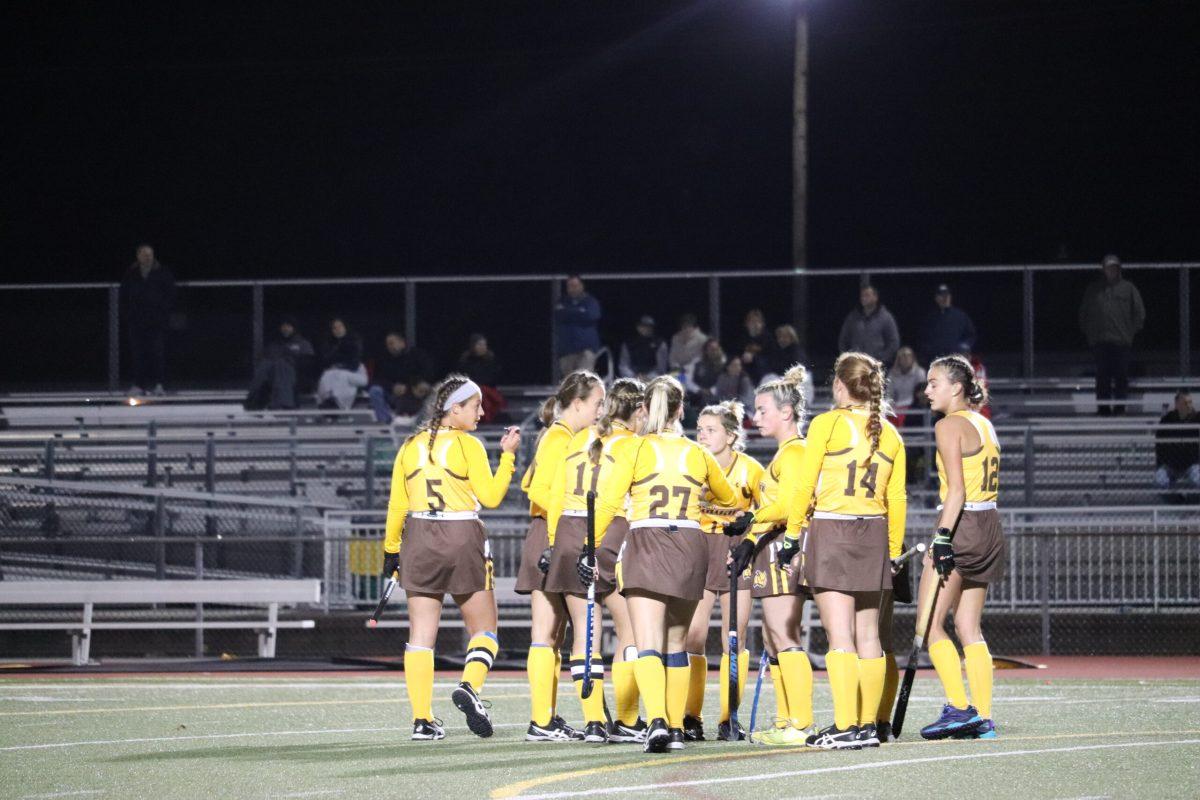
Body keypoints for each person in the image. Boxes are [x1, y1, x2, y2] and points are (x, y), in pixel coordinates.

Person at [593, 376, 738, 753]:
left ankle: (656, 720)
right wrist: (699, 496)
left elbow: (608, 504)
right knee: (676, 643)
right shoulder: (697, 453)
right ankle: (675, 728)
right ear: (679, 410)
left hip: (648, 539)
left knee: (647, 644)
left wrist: (586, 547)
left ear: (645, 409)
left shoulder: (634, 450)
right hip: (690, 542)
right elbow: (730, 497)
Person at [381, 374, 521, 741]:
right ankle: (469, 686)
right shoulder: (468, 444)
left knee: (420, 637)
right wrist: (508, 458)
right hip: (461, 536)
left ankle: (422, 721)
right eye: (475, 405)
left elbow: (397, 505)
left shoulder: (409, 445)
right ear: (454, 408)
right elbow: (490, 497)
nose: (481, 411)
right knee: (485, 631)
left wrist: (390, 551)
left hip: (419, 537)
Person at [779, 352, 907, 750]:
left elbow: (804, 485)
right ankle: (868, 726)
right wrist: (892, 551)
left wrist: (791, 535)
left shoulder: (827, 423)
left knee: (840, 638)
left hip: (833, 530)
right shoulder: (891, 433)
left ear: (839, 385)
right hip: (874, 533)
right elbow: (896, 498)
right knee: (869, 636)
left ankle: (845, 725)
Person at [545, 378, 648, 743]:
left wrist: (554, 542)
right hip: (609, 529)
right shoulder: (635, 444)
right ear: (637, 411)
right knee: (632, 631)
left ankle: (592, 723)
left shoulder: (580, 438)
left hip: (569, 530)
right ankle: (627, 719)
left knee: (585, 632)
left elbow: (556, 493)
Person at [723, 366, 816, 746]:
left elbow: (791, 504)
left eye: (762, 410)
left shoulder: (794, 451)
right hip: (771, 543)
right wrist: (750, 539)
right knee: (773, 637)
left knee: (783, 632)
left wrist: (752, 518)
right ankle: (785, 720)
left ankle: (801, 722)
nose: (755, 417)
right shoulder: (785, 453)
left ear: (786, 413)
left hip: (784, 546)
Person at [916, 354, 1005, 741]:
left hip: (962, 524)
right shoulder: (984, 423)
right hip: (990, 526)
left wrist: (940, 537)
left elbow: (957, 491)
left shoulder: (949, 425)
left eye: (934, 383)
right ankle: (982, 717)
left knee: (929, 626)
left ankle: (958, 708)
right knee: (969, 626)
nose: (927, 390)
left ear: (956, 387)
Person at [517, 371, 606, 742]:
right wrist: (557, 538)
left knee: (549, 634)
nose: (601, 410)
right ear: (578, 403)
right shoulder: (561, 438)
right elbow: (540, 489)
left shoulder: (559, 435)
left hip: (547, 532)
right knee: (572, 628)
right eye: (598, 403)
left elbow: (527, 483)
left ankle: (544, 720)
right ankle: (594, 719)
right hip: (555, 532)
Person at [681, 401, 763, 742]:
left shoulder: (751, 469)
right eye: (700, 430)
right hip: (701, 548)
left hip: (736, 552)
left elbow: (766, 510)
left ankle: (730, 717)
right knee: (692, 637)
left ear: (730, 435)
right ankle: (690, 716)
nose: (703, 435)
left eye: (710, 430)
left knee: (734, 637)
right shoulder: (692, 464)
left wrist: (752, 529)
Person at [1079, 255, 1145, 415]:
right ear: (1103, 269)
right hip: (1100, 341)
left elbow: (1139, 312)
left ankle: (1120, 408)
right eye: (1108, 267)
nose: (1111, 270)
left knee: (1121, 374)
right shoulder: (1093, 289)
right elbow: (1083, 314)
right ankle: (1103, 408)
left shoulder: (1128, 288)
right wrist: (1090, 334)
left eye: (1114, 267)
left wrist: (1130, 332)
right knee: (1102, 375)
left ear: (1119, 269)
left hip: (1122, 341)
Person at [121, 243, 176, 395]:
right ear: (138, 256)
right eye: (144, 254)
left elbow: (170, 293)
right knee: (138, 354)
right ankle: (139, 385)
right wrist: (128, 314)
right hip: (136, 321)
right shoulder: (131, 273)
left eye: (150, 254)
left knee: (157, 353)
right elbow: (124, 295)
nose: (148, 257)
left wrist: (163, 312)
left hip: (156, 321)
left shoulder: (162, 272)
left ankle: (160, 384)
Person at [244, 316, 314, 410]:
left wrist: (289, 361)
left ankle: (284, 403)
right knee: (265, 365)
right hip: (273, 380)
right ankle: (253, 400)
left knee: (282, 365)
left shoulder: (303, 344)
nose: (285, 329)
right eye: (283, 326)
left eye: (288, 326)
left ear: (294, 328)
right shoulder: (274, 345)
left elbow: (308, 365)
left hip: (296, 378)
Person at [368, 332, 438, 423]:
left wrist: (413, 385)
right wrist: (392, 387)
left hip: (414, 391)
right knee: (375, 390)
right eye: (388, 344)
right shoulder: (383, 359)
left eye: (392, 343)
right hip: (392, 393)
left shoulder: (417, 355)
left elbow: (428, 373)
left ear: (402, 343)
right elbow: (376, 380)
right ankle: (385, 422)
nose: (389, 346)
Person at [837, 285, 900, 366]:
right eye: (862, 296)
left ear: (875, 297)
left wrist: (881, 359)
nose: (863, 298)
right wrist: (848, 357)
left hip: (876, 366)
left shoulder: (885, 317)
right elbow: (843, 340)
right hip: (856, 365)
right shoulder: (853, 317)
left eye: (867, 295)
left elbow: (894, 342)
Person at [1155, 390, 1200, 501]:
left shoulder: (1197, 418)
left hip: (1192, 463)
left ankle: (1192, 502)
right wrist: (1165, 462)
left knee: (1197, 479)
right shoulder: (1167, 420)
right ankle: (1177, 502)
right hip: (1171, 464)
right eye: (1185, 402)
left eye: (1190, 402)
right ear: (1177, 404)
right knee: (1159, 480)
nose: (1189, 405)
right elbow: (1159, 445)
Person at [554, 275, 602, 377]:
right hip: (566, 351)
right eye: (570, 286)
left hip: (586, 350)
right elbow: (559, 315)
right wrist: (580, 312)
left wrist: (570, 313)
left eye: (575, 285)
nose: (573, 288)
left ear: (581, 285)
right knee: (569, 384)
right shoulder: (562, 301)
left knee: (584, 381)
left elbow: (592, 316)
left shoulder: (590, 302)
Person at [316, 317, 367, 410]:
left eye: (339, 327)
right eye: (334, 328)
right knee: (327, 375)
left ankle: (339, 403)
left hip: (357, 373)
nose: (337, 330)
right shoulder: (329, 344)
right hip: (334, 373)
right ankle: (327, 400)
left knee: (340, 375)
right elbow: (325, 361)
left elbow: (354, 364)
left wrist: (340, 365)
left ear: (345, 327)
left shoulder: (354, 341)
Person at [920, 284, 977, 362]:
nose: (945, 298)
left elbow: (971, 335)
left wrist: (963, 347)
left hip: (956, 361)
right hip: (936, 361)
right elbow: (923, 339)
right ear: (936, 298)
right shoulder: (930, 318)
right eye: (942, 295)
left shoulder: (960, 316)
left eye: (947, 295)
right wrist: (929, 350)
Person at [457, 334, 506, 422]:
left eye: (484, 345)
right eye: (479, 345)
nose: (482, 347)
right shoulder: (465, 361)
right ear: (473, 346)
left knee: (482, 394)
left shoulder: (492, 361)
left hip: (488, 391)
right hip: (470, 391)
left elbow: (493, 378)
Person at [618, 315, 668, 380]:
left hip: (653, 379)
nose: (646, 329)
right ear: (638, 327)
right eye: (643, 326)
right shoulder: (628, 344)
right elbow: (623, 365)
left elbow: (661, 368)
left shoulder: (660, 344)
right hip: (632, 378)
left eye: (649, 327)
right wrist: (633, 376)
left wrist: (647, 377)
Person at [737, 309, 776, 384]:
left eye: (757, 321)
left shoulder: (767, 337)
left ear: (762, 323)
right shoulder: (743, 337)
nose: (755, 324)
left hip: (764, 370)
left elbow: (771, 356)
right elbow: (738, 352)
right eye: (752, 321)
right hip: (746, 368)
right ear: (747, 323)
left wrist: (754, 357)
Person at [889, 346, 927, 418]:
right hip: (897, 407)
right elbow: (889, 394)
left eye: (908, 356)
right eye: (903, 356)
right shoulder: (892, 374)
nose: (906, 359)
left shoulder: (920, 372)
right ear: (898, 360)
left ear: (913, 358)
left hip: (914, 407)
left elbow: (922, 393)